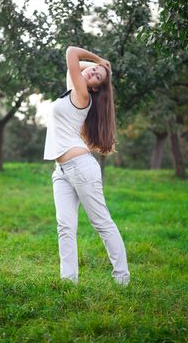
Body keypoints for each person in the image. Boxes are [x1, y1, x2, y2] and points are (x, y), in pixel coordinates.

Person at [43, 46, 130, 286]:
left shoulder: (83, 94)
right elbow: (74, 66)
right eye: (91, 71)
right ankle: (68, 281)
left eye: (97, 77)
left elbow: (71, 53)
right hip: (61, 171)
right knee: (65, 226)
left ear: (95, 88)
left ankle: (122, 278)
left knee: (101, 223)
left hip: (81, 168)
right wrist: (98, 68)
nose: (91, 73)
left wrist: (98, 60)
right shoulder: (74, 87)